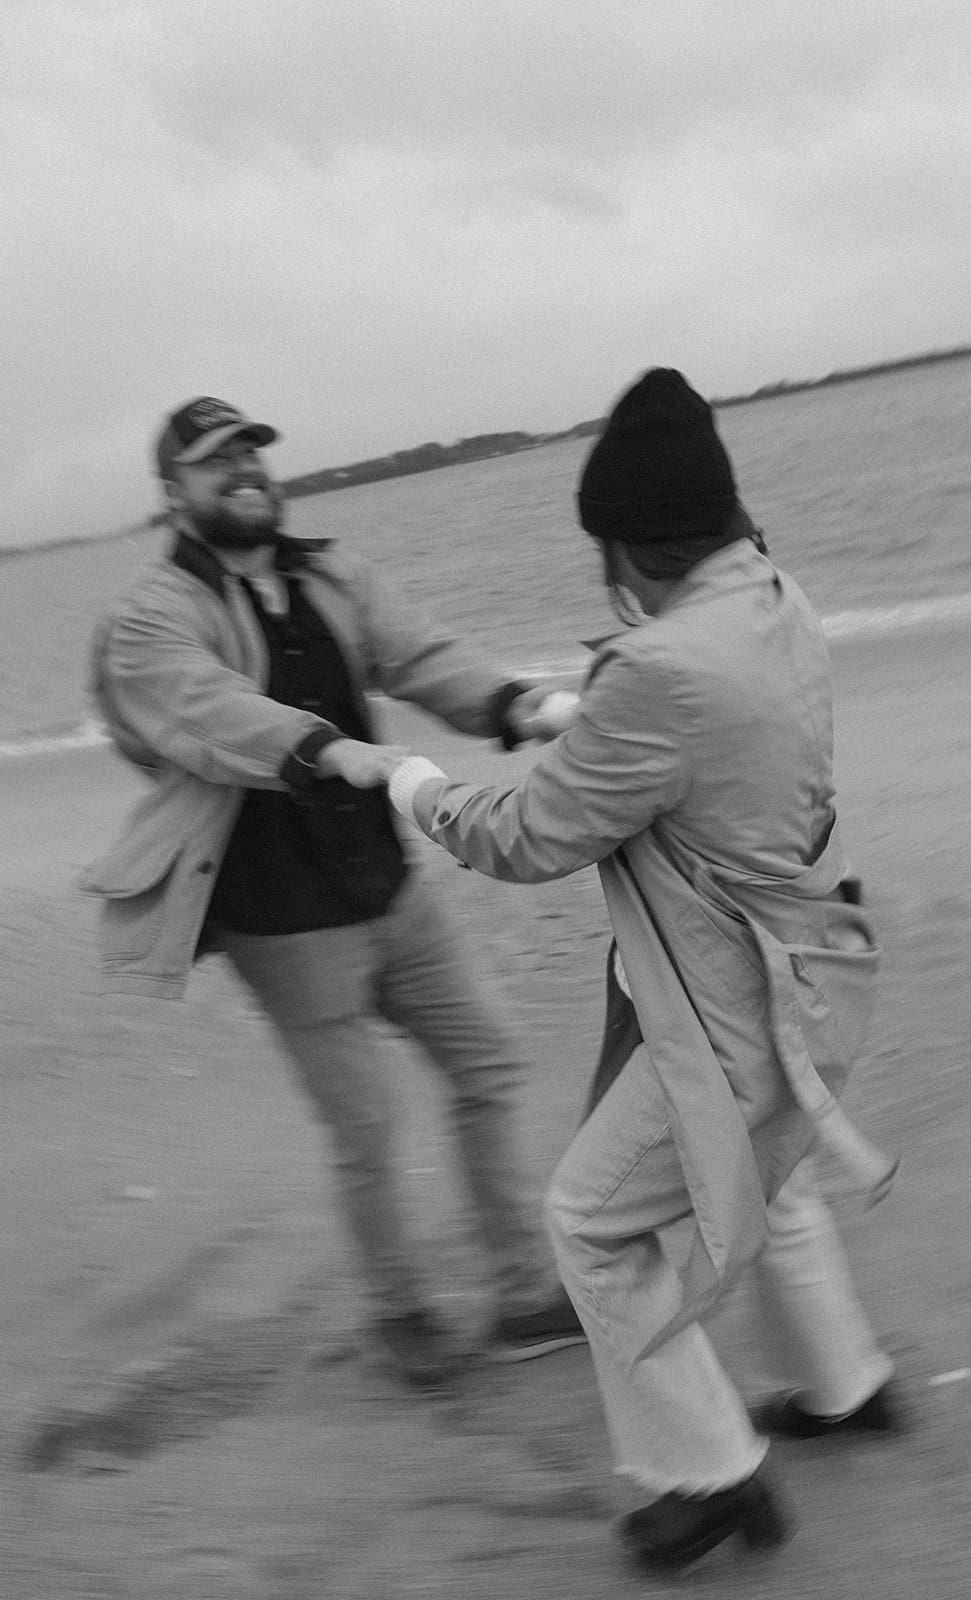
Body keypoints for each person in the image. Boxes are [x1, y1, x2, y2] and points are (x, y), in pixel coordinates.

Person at [384, 369, 905, 1571]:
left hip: (723, 1008)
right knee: (765, 1185)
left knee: (589, 1223)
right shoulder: (777, 599)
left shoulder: (659, 671)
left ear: (627, 545)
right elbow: (706, 742)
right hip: (810, 971)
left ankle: (705, 1472)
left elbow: (526, 836)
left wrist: (415, 786)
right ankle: (841, 1384)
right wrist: (588, 718)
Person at [80, 396, 584, 1390]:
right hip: (285, 918)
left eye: (254, 454)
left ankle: (524, 1294)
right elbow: (204, 709)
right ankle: (399, 1310)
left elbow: (418, 652)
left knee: (488, 1063)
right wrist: (328, 747)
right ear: (173, 492)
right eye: (218, 462)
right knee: (366, 1125)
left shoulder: (332, 572)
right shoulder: (149, 616)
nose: (246, 472)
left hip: (391, 889)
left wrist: (514, 703)